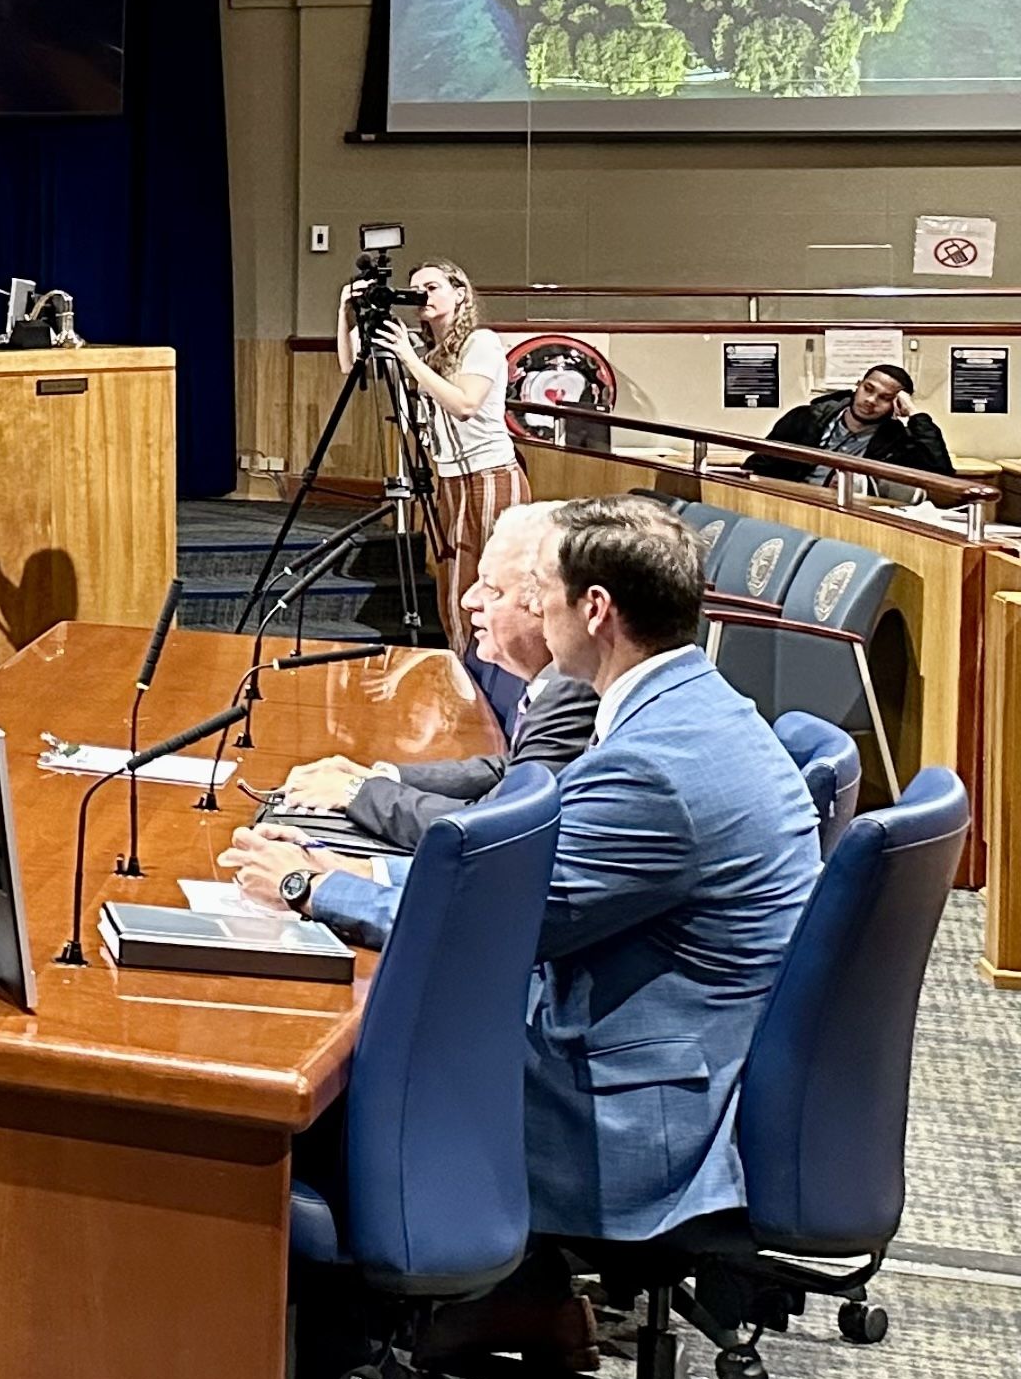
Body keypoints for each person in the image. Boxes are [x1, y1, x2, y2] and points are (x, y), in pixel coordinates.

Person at [223, 495, 818, 1244]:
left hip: (623, 1117)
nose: (531, 605)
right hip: (661, 1050)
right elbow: (529, 882)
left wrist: (311, 887)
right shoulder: (694, 708)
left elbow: (495, 930)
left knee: (294, 1102)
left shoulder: (653, 767)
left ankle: (395, 1326)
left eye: (539, 587)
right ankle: (500, 1306)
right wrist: (359, 876)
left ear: (594, 608)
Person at [268, 502, 600, 852]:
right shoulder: (559, 680)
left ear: (549, 599)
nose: (469, 600)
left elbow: (499, 826)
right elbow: (514, 768)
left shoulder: (573, 686)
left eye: (491, 587)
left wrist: (358, 795)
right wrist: (382, 777)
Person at [344, 258, 522, 661]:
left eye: (433, 286)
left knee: (491, 581)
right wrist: (348, 310)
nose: (423, 294)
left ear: (460, 293)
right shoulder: (427, 348)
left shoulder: (481, 342)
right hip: (449, 478)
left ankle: (492, 675)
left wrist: (409, 358)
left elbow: (465, 404)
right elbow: (348, 361)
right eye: (417, 288)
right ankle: (464, 666)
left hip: (489, 473)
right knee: (452, 584)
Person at [755, 361, 957, 491]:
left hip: (853, 515)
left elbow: (942, 476)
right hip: (794, 504)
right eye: (868, 389)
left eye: (885, 398)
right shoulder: (805, 418)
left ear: (896, 404)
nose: (871, 400)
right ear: (857, 385)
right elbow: (759, 465)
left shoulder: (896, 441)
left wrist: (914, 414)